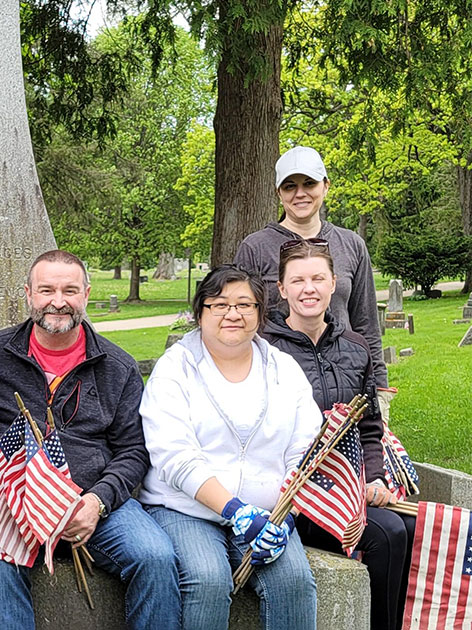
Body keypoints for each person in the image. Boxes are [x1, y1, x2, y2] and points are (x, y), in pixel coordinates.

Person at [0, 249, 181, 630]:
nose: (58, 301)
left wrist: (96, 502)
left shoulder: (118, 366)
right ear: (29, 294)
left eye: (69, 290)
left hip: (94, 501)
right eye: (46, 289)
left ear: (85, 294)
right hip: (15, 500)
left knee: (155, 556)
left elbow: (133, 450)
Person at [140, 265, 322, 630]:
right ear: (200, 311)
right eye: (219, 304)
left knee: (294, 583)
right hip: (186, 508)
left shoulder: (284, 369)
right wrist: (236, 511)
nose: (233, 314)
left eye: (245, 304)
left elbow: (305, 447)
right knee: (208, 579)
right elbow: (174, 456)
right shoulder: (175, 368)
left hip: (268, 512)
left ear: (260, 312)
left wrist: (287, 513)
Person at [261, 240, 415, 630]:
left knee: (411, 527)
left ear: (334, 284)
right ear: (281, 288)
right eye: (297, 280)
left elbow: (369, 428)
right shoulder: (264, 349)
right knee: (387, 532)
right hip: (291, 494)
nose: (307, 289)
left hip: (345, 482)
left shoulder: (356, 348)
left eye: (317, 278)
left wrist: (375, 477)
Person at [234, 145, 387, 388]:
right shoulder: (255, 248)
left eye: (309, 183)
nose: (300, 193)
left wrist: (378, 388)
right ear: (278, 192)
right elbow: (240, 324)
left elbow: (366, 324)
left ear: (326, 186)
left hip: (345, 384)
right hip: (276, 384)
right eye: (290, 186)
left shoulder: (351, 245)